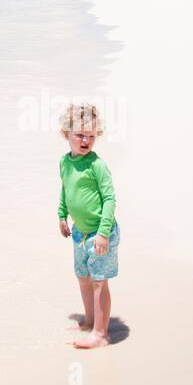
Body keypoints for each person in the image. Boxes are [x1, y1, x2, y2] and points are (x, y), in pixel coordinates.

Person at [57, 102, 119, 348]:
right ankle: (90, 322)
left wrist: (103, 234)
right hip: (79, 234)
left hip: (100, 233)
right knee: (83, 276)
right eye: (80, 135)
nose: (85, 140)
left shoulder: (97, 165)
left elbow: (110, 199)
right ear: (66, 134)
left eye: (91, 136)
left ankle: (101, 334)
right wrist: (62, 215)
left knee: (98, 280)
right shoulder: (65, 162)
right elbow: (66, 189)